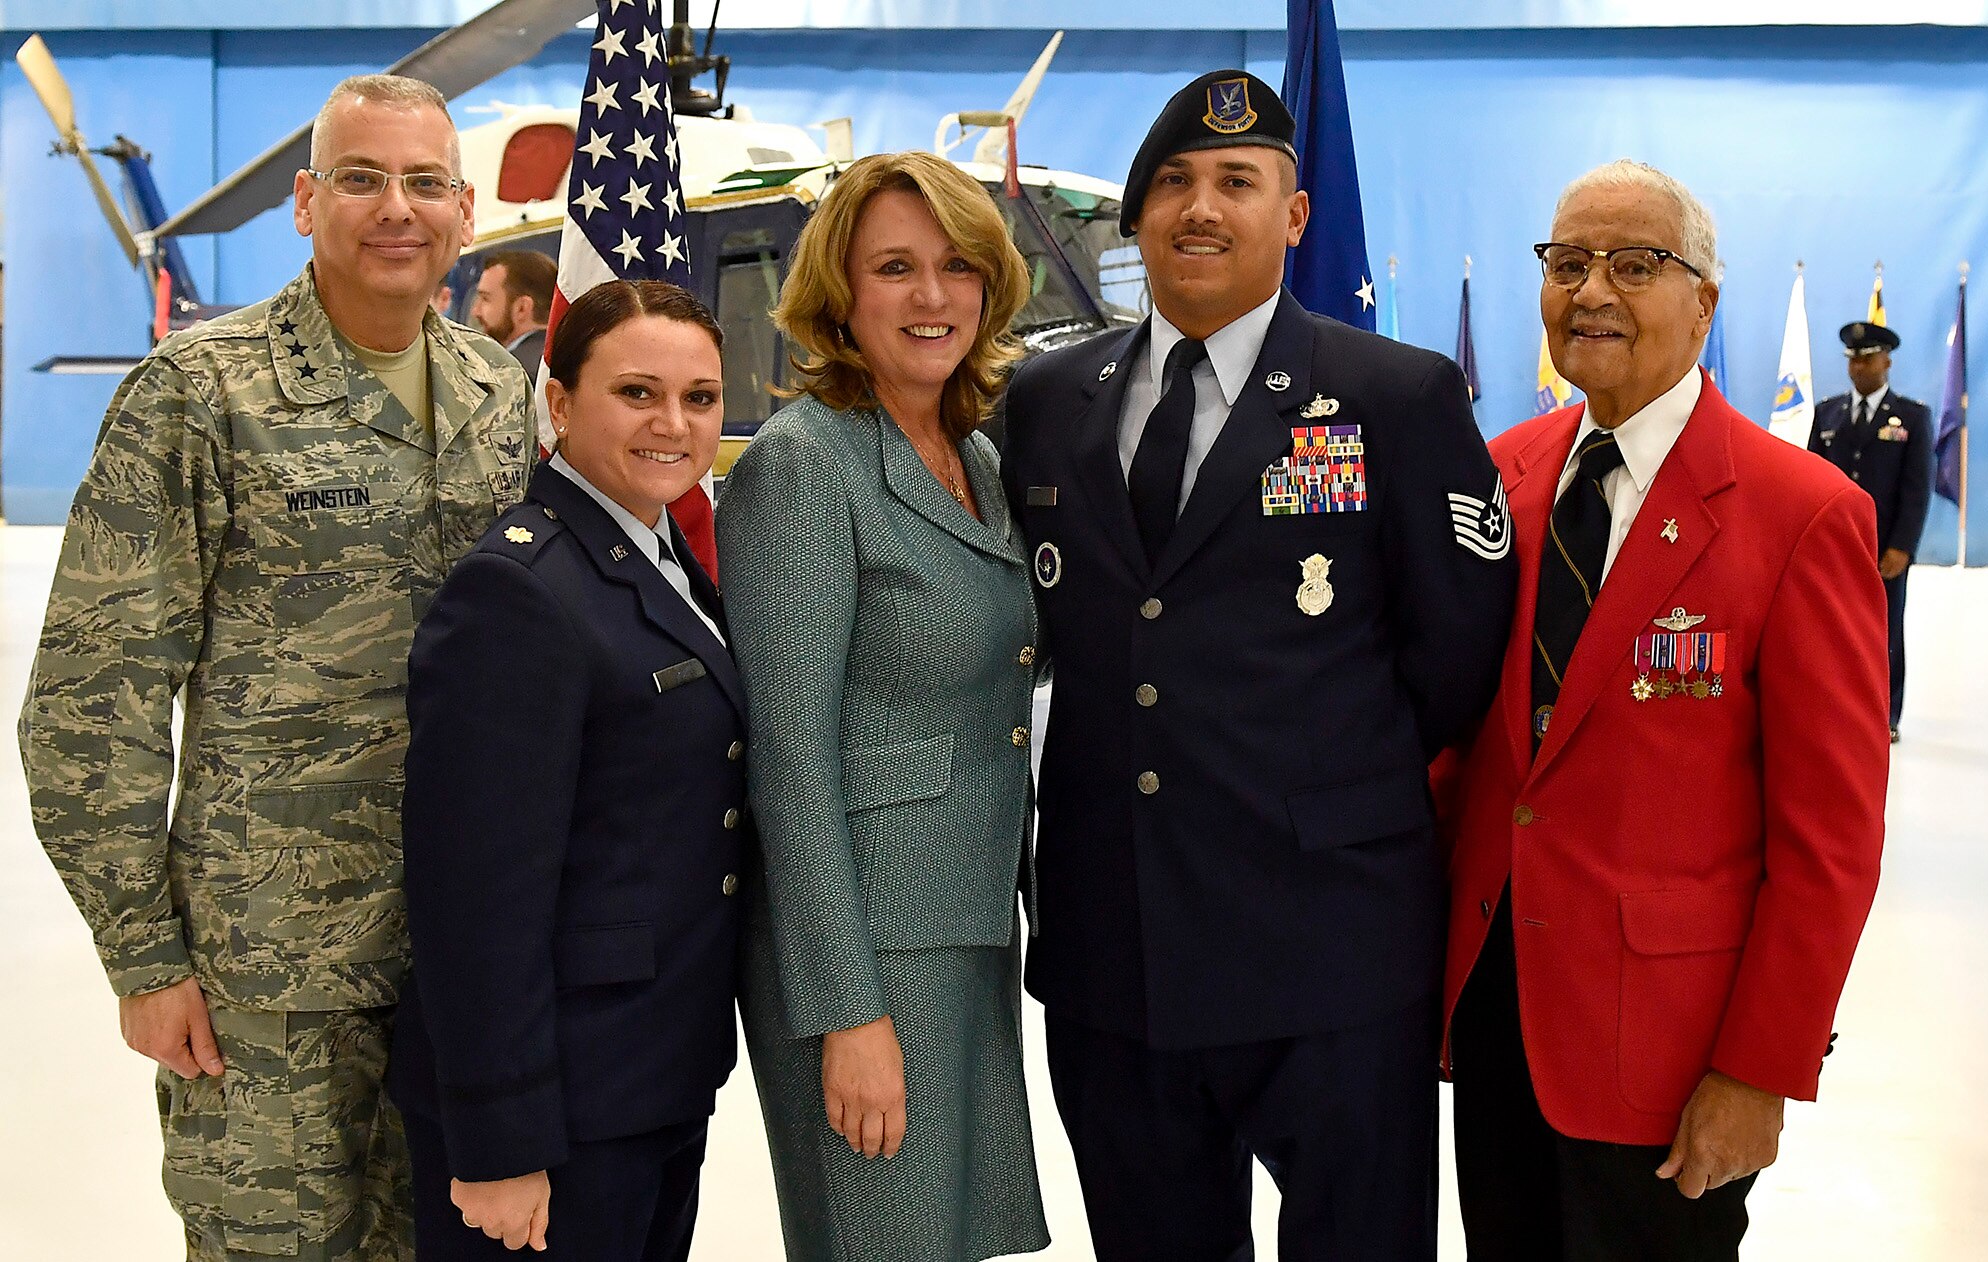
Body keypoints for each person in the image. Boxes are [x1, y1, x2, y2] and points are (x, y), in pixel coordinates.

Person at [1001, 69, 1516, 1260]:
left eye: (1238, 182)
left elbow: (1452, 659)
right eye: (1172, 182)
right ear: (1133, 220)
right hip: (1112, 947)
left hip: (1326, 947)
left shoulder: (1395, 397)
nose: (1200, 207)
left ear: (1291, 215)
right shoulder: (1043, 399)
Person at [17, 74, 532, 1260]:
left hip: (462, 961)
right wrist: (143, 952)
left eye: (421, 184)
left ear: (464, 211)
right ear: (305, 203)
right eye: (360, 178)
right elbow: (94, 701)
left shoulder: (499, 393)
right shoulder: (199, 395)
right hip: (267, 976)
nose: (393, 208)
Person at [1437, 160, 1887, 1261]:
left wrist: (1759, 1067)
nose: (1590, 290)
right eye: (1567, 261)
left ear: (1704, 302)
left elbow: (1829, 839)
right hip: (1493, 1024)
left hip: (1666, 1053)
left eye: (1634, 264)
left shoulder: (1801, 514)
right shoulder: (1495, 476)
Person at [715, 150, 1048, 1262]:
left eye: (956, 266)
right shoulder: (805, 462)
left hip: (962, 921)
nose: (930, 296)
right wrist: (846, 1011)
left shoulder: (975, 454)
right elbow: (790, 756)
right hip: (866, 944)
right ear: (839, 296)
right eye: (894, 267)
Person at [388, 279, 745, 1260]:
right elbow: (473, 892)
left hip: (650, 1073)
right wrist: (499, 1140)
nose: (673, 423)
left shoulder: (661, 555)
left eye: (700, 397)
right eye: (636, 392)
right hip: (555, 1107)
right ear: (557, 402)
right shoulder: (519, 591)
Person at [1807, 320, 1934, 742]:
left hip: (1884, 548)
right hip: (1834, 546)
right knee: (1827, 628)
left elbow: (1917, 489)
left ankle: (1886, 713)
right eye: (1853, 360)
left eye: (1868, 358)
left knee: (1885, 629)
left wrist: (1902, 545)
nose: (1859, 367)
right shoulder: (1827, 413)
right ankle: (1831, 705)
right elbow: (1810, 481)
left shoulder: (1912, 417)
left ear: (1887, 361)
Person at [472, 250, 558, 379]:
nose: (475, 311)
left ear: (522, 308)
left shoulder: (509, 373)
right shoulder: (567, 359)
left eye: (485, 299)